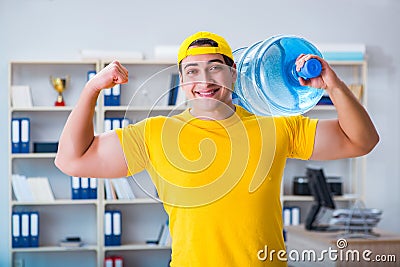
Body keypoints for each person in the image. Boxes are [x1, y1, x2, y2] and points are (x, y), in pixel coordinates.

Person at [55, 31, 379, 266]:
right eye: (192, 71)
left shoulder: (277, 124)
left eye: (215, 67)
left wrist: (333, 85)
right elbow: (72, 160)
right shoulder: (155, 133)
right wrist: (91, 89)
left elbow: (361, 140)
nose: (204, 79)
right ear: (182, 81)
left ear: (234, 75)